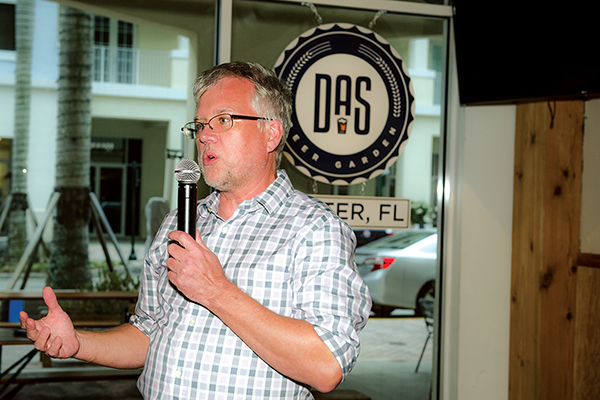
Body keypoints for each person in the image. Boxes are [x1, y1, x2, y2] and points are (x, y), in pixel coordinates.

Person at [20, 61, 371, 399]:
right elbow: (149, 333)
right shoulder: (178, 223)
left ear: (271, 133)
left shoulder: (315, 229)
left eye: (223, 120)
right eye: (200, 124)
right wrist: (79, 343)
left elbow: (326, 365)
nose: (204, 136)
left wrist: (215, 290)